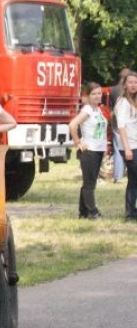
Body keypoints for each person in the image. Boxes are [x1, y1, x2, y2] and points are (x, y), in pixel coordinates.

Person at [69, 82, 107, 219]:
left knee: (89, 182)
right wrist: (78, 142)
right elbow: (73, 124)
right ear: (88, 96)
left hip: (98, 150)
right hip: (89, 150)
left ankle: (83, 211)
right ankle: (92, 211)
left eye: (99, 93)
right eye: (94, 94)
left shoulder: (98, 109)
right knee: (89, 184)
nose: (97, 96)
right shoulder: (87, 110)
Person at [114, 70, 137, 221]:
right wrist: (127, 148)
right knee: (134, 178)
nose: (134, 85)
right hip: (130, 146)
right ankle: (129, 213)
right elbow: (121, 127)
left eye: (135, 82)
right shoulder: (122, 103)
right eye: (130, 82)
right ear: (125, 85)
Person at [109, 67, 130, 183]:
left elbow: (111, 109)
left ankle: (118, 177)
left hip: (117, 123)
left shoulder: (113, 90)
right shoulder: (131, 89)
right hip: (129, 123)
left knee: (118, 149)